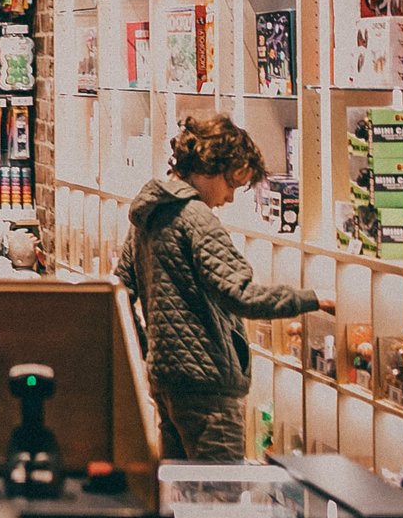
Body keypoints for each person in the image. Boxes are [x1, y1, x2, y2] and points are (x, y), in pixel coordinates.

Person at [118, 114, 333, 462]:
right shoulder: (197, 219)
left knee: (179, 498)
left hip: (166, 381)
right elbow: (241, 294)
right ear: (212, 168)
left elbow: (121, 288)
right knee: (221, 500)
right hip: (207, 387)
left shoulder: (149, 213)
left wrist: (150, 349)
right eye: (232, 184)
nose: (230, 198)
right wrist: (314, 299)